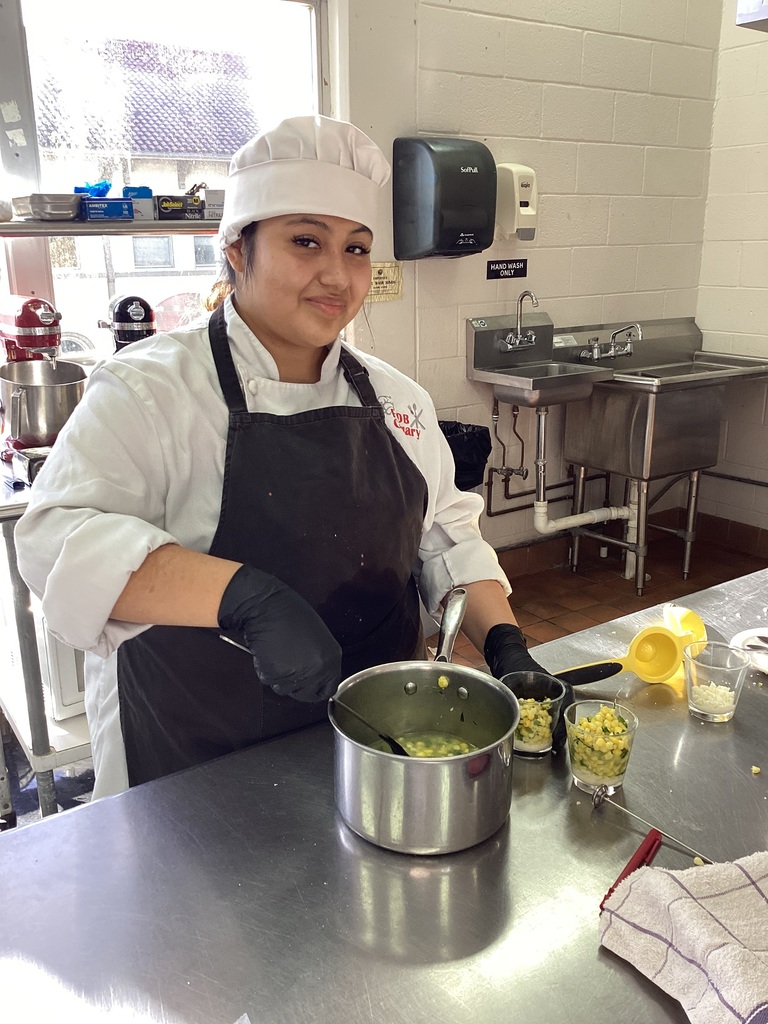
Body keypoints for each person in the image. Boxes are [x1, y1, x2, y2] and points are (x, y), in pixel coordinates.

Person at [15, 115, 557, 799]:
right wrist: (241, 598)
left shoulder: (397, 399)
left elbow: (446, 539)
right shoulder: (149, 391)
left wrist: (506, 645)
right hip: (194, 765)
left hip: (373, 748)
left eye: (357, 249)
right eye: (306, 241)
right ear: (239, 250)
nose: (337, 275)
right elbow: (53, 542)